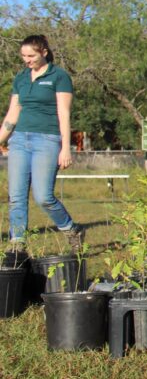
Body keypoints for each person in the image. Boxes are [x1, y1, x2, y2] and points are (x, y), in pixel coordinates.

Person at [0, 35, 84, 252]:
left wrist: (66, 148)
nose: (27, 60)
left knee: (43, 196)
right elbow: (13, 114)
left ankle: (71, 229)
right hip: (19, 140)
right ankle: (17, 243)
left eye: (31, 56)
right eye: (23, 56)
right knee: (16, 196)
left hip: (47, 139)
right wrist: (1, 138)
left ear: (44, 52)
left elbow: (63, 113)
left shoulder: (59, 77)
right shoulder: (21, 78)